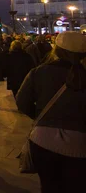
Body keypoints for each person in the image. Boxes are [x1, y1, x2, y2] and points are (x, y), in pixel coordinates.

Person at [16, 31, 86, 192]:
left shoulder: (40, 71)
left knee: (49, 186)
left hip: (42, 139)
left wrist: (42, 117)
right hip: (80, 142)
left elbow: (22, 101)